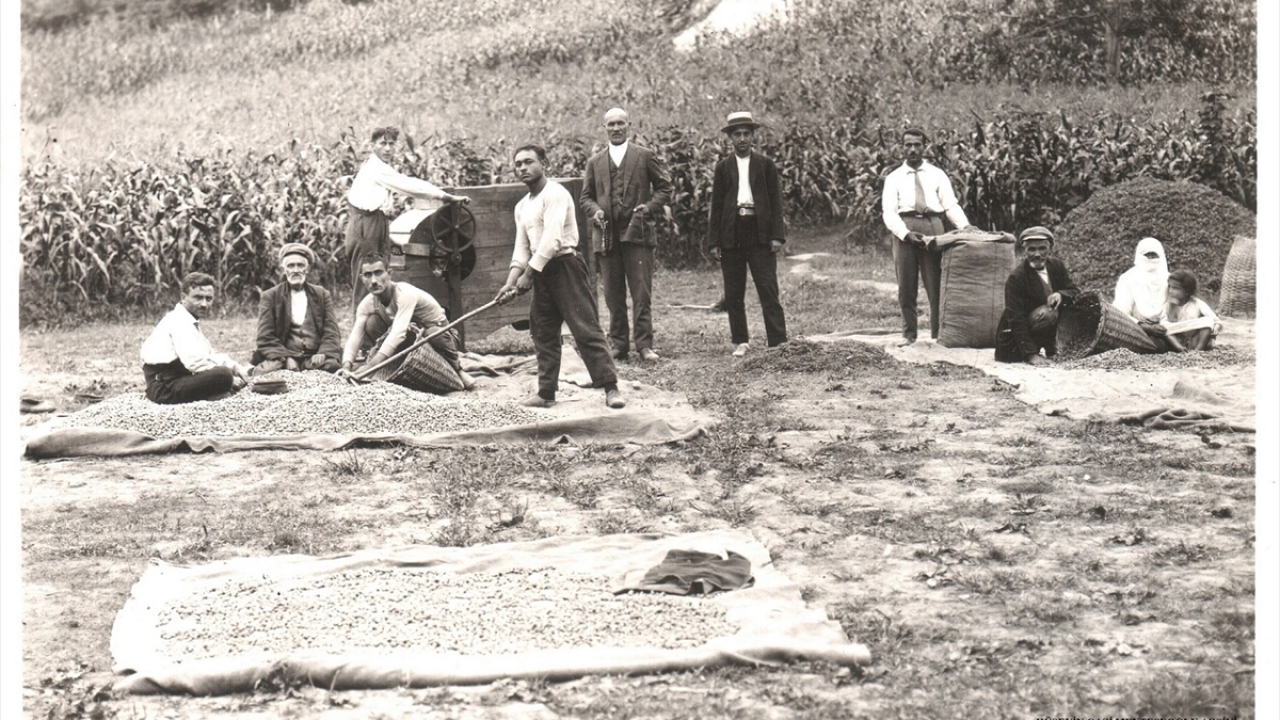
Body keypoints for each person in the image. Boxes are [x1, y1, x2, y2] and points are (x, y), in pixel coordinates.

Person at [494, 144, 626, 409]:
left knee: (584, 328)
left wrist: (529, 275)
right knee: (542, 332)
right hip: (541, 269)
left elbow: (552, 239)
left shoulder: (555, 193)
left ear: (544, 164)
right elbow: (522, 248)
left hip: (566, 266)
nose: (522, 168)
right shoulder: (522, 206)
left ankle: (611, 388)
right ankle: (546, 393)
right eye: (518, 164)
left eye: (529, 162)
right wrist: (510, 281)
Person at [344, 126, 472, 314]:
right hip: (365, 225)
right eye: (383, 144)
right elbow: (409, 185)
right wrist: (445, 197)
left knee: (380, 277)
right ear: (372, 146)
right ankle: (362, 339)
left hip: (376, 222)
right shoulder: (375, 168)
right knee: (367, 280)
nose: (388, 149)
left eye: (391, 144)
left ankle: (377, 331)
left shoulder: (381, 168)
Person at [580, 107, 673, 362]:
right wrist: (596, 211)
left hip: (638, 232)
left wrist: (649, 208)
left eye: (621, 123)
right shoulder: (595, 162)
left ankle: (644, 345)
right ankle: (618, 344)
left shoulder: (644, 156)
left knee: (641, 291)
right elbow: (585, 197)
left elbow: (665, 188)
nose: (616, 128)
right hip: (607, 235)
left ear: (628, 126)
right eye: (611, 124)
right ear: (605, 128)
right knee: (612, 293)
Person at [881, 127, 972, 346]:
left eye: (917, 145)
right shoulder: (894, 178)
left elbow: (950, 204)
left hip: (933, 226)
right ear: (902, 147)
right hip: (905, 227)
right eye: (908, 145)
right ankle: (909, 334)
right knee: (906, 284)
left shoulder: (937, 174)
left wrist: (965, 226)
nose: (912, 149)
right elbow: (889, 212)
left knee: (936, 283)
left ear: (925, 146)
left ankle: (939, 334)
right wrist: (904, 233)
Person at [708, 111, 788, 357]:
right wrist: (714, 241)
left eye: (746, 134)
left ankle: (777, 341)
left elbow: (776, 201)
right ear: (730, 138)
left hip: (759, 230)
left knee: (767, 287)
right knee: (734, 290)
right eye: (737, 134)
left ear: (753, 136)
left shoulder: (765, 165)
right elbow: (717, 205)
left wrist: (777, 235)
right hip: (732, 231)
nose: (742, 139)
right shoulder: (723, 167)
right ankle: (740, 340)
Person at [338, 253, 475, 390]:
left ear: (389, 274)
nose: (374, 280)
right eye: (368, 275)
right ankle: (393, 365)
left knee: (432, 332)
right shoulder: (367, 303)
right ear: (362, 278)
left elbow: (398, 333)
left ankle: (457, 369)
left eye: (378, 273)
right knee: (371, 323)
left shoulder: (405, 294)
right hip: (411, 342)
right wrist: (346, 365)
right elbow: (355, 336)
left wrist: (371, 366)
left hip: (440, 339)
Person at [140, 272, 251, 404]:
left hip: (177, 379)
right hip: (164, 387)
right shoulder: (178, 321)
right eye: (198, 297)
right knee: (223, 375)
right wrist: (230, 378)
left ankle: (214, 394)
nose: (204, 304)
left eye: (208, 299)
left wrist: (235, 366)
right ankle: (215, 393)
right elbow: (195, 363)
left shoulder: (189, 321)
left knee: (224, 374)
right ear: (183, 298)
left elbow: (209, 355)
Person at [251, 243, 343, 374]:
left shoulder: (321, 294)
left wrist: (323, 352)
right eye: (290, 265)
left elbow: (331, 331)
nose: (295, 270)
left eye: (300, 265)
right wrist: (286, 357)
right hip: (284, 356)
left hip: (314, 357)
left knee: (332, 367)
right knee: (266, 373)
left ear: (307, 269)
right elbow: (265, 336)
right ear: (284, 269)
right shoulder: (270, 296)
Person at [995, 226, 1080, 365]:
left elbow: (1075, 291)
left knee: (1072, 308)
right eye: (1031, 249)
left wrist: (1061, 294)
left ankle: (1054, 348)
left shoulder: (1056, 266)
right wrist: (1031, 355)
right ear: (1024, 250)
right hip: (1015, 343)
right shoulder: (1017, 278)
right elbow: (1016, 319)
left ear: (1050, 249)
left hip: (1041, 331)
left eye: (1042, 248)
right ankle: (1037, 350)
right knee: (1049, 313)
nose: (1037, 254)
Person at [1112, 237, 1171, 344]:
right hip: (1135, 329)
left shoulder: (1169, 279)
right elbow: (1121, 313)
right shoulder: (1128, 279)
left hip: (1165, 330)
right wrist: (1148, 328)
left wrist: (1164, 325)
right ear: (1139, 256)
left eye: (1154, 255)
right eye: (1147, 255)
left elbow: (1174, 308)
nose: (1151, 258)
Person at [1160, 269, 1220, 352]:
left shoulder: (1196, 303)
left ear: (1187, 292)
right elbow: (1167, 323)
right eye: (1169, 287)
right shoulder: (1167, 305)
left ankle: (1198, 349)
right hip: (1177, 336)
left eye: (1175, 288)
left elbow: (1214, 319)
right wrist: (1172, 307)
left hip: (1194, 336)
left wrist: (1216, 326)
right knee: (1163, 326)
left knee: (1208, 321)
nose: (1170, 291)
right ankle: (1180, 348)